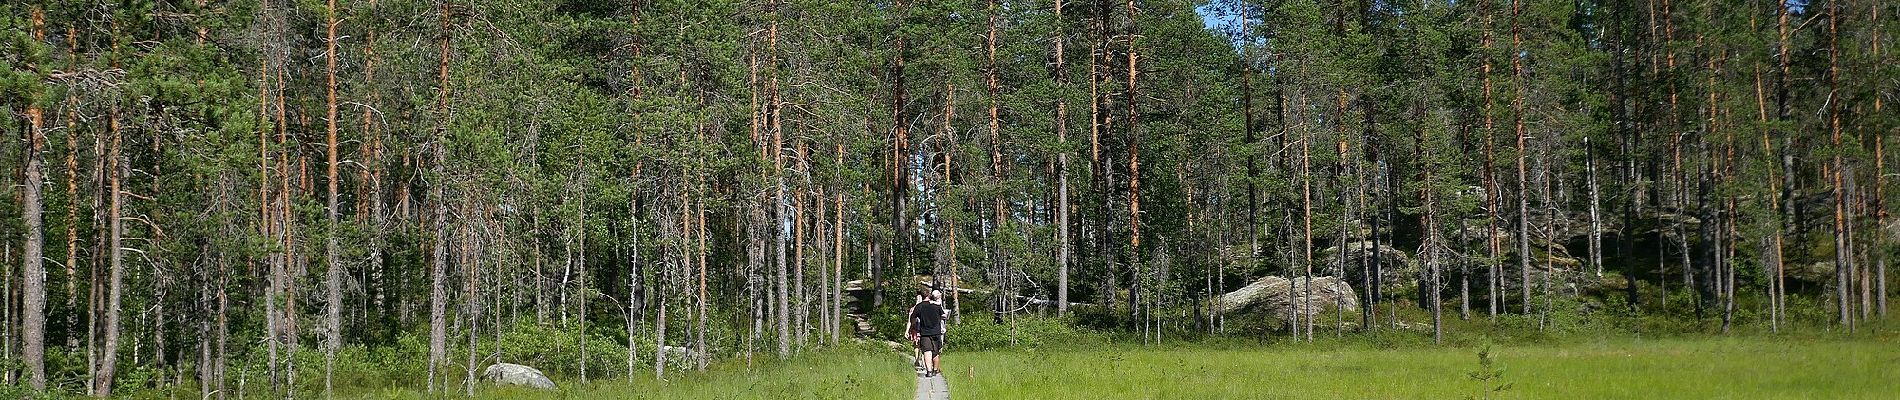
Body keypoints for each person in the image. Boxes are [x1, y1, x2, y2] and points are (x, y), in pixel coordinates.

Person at [905, 288, 946, 377]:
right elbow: (944, 316)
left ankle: (929, 371)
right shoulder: (937, 305)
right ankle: (935, 370)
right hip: (936, 332)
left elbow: (913, 319)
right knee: (936, 352)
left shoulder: (919, 306)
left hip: (925, 332)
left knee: (927, 351)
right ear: (929, 295)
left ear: (921, 296)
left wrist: (911, 328)